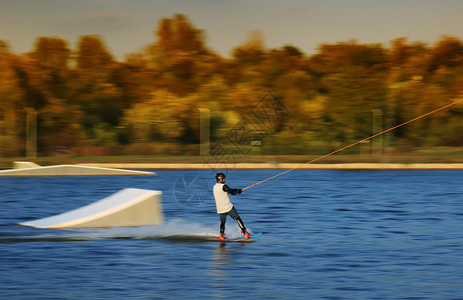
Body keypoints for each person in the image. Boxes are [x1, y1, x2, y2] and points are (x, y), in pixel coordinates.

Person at [213, 172, 251, 240]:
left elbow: (230, 190)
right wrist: (238, 191)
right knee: (238, 219)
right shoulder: (224, 186)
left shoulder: (215, 187)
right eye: (224, 178)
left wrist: (238, 190)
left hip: (220, 208)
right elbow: (232, 192)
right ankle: (245, 233)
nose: (225, 179)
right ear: (220, 179)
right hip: (228, 207)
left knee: (223, 222)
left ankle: (222, 235)